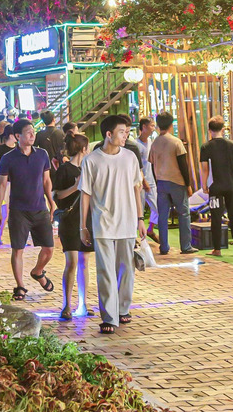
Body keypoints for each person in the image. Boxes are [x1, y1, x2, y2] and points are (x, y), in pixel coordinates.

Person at [79, 115, 145, 334]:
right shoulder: (91, 160)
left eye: (127, 132)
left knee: (127, 269)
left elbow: (137, 188)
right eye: (122, 132)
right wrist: (83, 225)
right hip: (103, 222)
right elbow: (85, 195)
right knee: (105, 271)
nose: (126, 136)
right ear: (109, 134)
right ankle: (109, 316)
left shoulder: (130, 157)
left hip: (127, 221)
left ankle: (123, 309)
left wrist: (140, 218)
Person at [0, 119, 56, 301]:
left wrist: (51, 201)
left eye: (33, 131)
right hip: (18, 210)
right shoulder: (8, 158)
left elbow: (46, 180)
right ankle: (20, 285)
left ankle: (38, 271)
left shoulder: (42, 155)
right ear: (17, 136)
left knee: (49, 249)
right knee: (18, 249)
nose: (32, 135)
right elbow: (2, 185)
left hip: (40, 208)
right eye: (28, 132)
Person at [54, 132, 94, 320]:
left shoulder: (88, 168)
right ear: (83, 149)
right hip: (69, 221)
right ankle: (66, 304)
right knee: (71, 262)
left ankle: (83, 304)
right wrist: (75, 186)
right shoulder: (64, 170)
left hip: (85, 220)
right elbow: (58, 196)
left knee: (84, 262)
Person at [148, 111, 198, 255]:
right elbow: (183, 165)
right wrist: (188, 185)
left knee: (163, 215)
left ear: (158, 125)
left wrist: (157, 180)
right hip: (177, 182)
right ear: (171, 125)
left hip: (161, 182)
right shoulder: (176, 142)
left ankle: (164, 247)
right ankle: (186, 246)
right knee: (183, 213)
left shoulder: (155, 143)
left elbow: (152, 164)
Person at [199, 116, 233, 256]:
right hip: (230, 185)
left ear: (209, 130)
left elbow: (205, 169)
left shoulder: (206, 147)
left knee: (216, 216)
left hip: (215, 187)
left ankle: (217, 248)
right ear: (223, 129)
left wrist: (204, 184)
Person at [0, 124, 16, 246]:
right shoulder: (0, 149)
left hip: (17, 182)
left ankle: (16, 237)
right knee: (5, 211)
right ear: (11, 136)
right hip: (6, 183)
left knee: (15, 212)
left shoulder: (19, 148)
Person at [136, 117, 160, 241]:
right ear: (144, 127)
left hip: (151, 179)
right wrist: (143, 181)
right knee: (138, 208)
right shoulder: (136, 145)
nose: (153, 128)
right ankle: (139, 236)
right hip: (140, 182)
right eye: (151, 125)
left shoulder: (151, 142)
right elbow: (138, 166)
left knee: (157, 207)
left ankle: (150, 229)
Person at [35, 110, 65, 175]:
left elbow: (34, 149)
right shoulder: (60, 133)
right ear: (54, 119)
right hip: (58, 166)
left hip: (44, 167)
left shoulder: (39, 134)